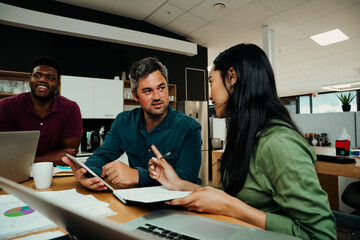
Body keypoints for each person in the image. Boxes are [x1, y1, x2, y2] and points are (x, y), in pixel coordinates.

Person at [148, 44, 336, 239]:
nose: (210, 94)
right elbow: (233, 196)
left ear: (232, 77)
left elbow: (322, 235)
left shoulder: (279, 143)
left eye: (211, 82)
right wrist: (179, 184)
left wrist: (232, 207)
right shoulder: (247, 135)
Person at [62, 57, 202, 188]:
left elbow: (188, 177)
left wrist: (137, 175)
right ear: (135, 95)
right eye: (148, 91)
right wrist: (88, 173)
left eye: (161, 87)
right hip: (137, 200)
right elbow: (101, 156)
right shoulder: (124, 121)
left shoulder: (189, 127)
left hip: (178, 203)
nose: (157, 96)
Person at [0, 56, 83, 166]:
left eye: (50, 77)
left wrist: (24, 160)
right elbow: (4, 156)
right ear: (29, 81)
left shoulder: (70, 108)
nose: (43, 80)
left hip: (54, 175)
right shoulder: (6, 106)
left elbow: (69, 156)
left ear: (58, 86)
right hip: (14, 172)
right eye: (37, 76)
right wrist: (50, 157)